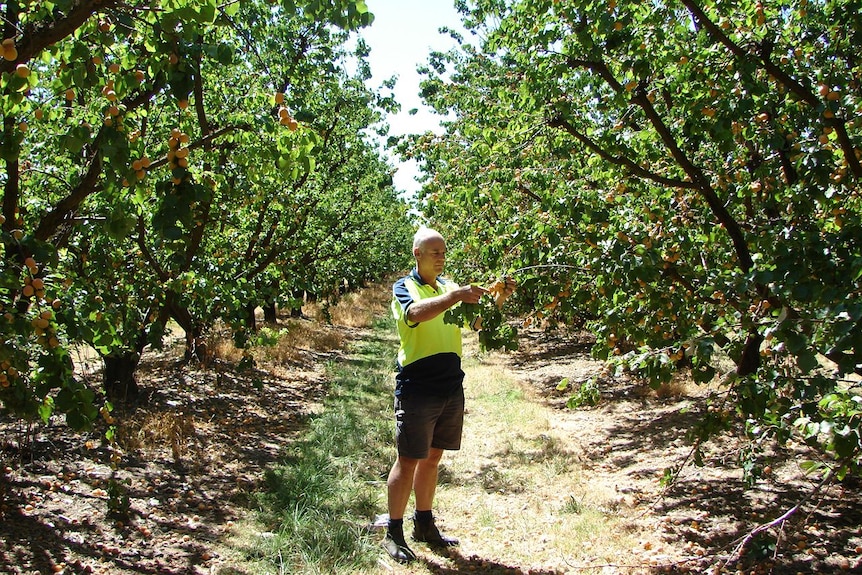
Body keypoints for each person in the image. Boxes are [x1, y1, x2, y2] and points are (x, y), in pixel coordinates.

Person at [382, 226, 515, 563]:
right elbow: (415, 314)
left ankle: (424, 524)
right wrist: (456, 296)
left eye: (443, 252)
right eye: (435, 252)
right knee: (409, 458)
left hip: (450, 384)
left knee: (433, 457)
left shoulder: (448, 286)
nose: (441, 258)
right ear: (418, 255)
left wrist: (500, 297)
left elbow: (477, 323)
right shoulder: (405, 286)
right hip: (418, 384)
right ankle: (393, 532)